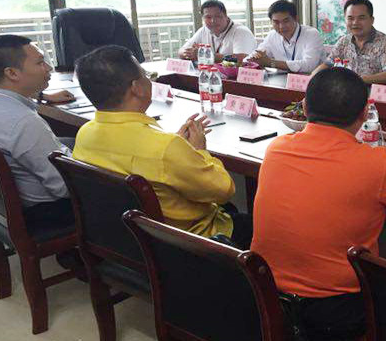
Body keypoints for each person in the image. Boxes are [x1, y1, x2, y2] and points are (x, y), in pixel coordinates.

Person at [251, 67, 386, 341]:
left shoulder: (277, 148)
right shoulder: (378, 166)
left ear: (305, 107)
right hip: (335, 310)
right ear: (364, 114)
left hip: (266, 295)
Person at [72, 45, 252, 249]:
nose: (149, 80)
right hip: (189, 243)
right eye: (145, 75)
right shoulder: (165, 147)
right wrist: (199, 151)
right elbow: (224, 190)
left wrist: (178, 149)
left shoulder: (85, 133)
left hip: (127, 239)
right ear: (136, 88)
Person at [0, 35, 76, 232]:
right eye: (40, 62)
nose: (49, 68)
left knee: (73, 141)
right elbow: (65, 187)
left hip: (2, 208)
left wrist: (41, 95)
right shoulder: (24, 122)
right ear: (12, 73)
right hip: (46, 212)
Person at [312, 0, 386, 84]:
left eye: (361, 18)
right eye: (350, 18)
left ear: (372, 20)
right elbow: (328, 64)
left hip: (372, 91)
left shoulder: (385, 43)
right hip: (346, 89)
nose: (355, 22)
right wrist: (312, 77)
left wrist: (359, 80)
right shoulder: (343, 41)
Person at [244, 0, 324, 73]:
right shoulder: (272, 35)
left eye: (286, 21)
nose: (281, 26)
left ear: (296, 18)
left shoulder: (311, 34)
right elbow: (255, 55)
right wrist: (253, 59)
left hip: (311, 81)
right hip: (282, 81)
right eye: (276, 22)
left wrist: (271, 63)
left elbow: (309, 66)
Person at [178, 0, 257, 63]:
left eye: (218, 16)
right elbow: (181, 51)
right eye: (208, 17)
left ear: (226, 16)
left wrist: (205, 55)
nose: (213, 21)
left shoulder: (241, 31)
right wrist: (189, 53)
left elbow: (242, 59)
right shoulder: (204, 30)